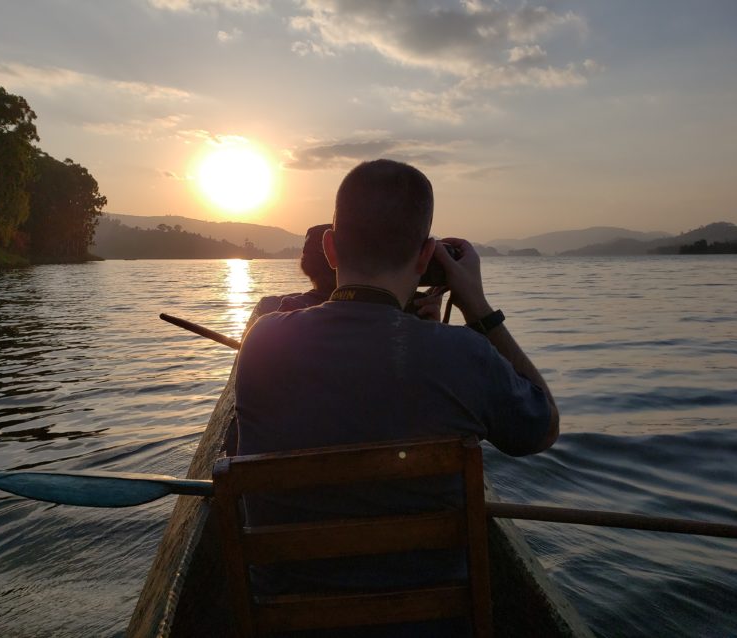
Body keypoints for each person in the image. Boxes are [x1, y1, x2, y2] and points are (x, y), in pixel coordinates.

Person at [234, 159, 559, 634]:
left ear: (329, 247)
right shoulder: (464, 355)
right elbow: (541, 428)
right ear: (426, 256)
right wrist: (477, 308)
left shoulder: (262, 343)